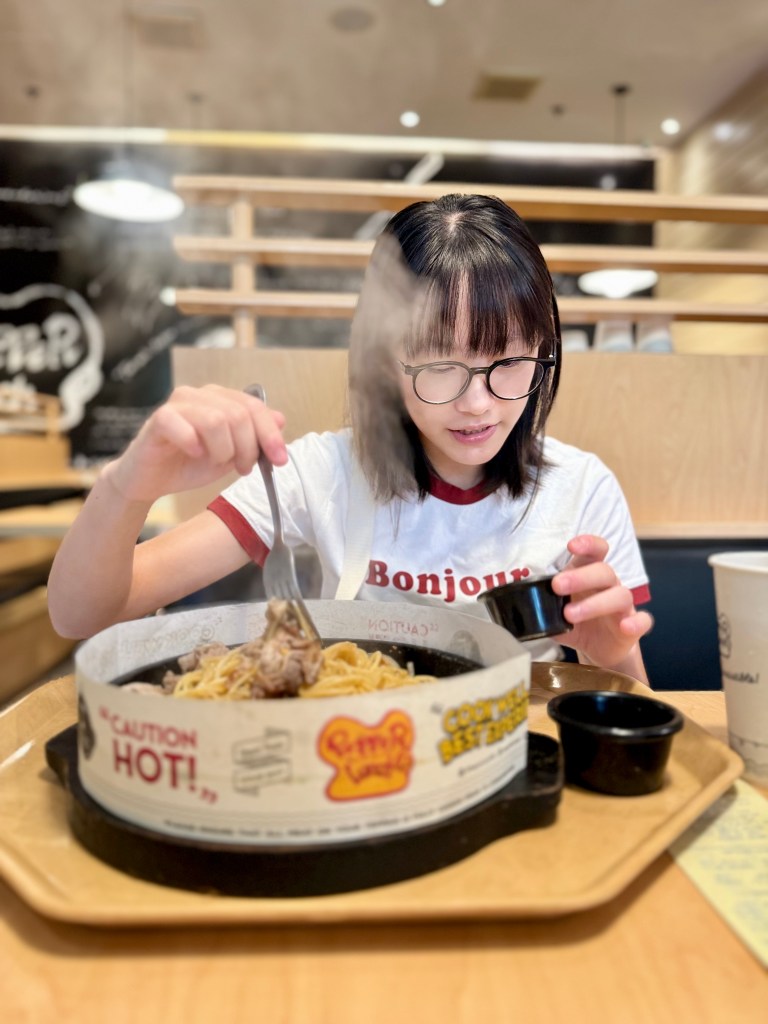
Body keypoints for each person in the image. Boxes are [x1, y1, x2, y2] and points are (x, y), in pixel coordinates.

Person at [48, 193, 652, 681]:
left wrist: (612, 654)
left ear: (544, 350)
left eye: (510, 361)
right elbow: (82, 614)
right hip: (357, 752)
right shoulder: (320, 473)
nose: (478, 402)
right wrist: (127, 486)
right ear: (384, 361)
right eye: (440, 364)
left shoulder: (582, 489)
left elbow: (639, 703)